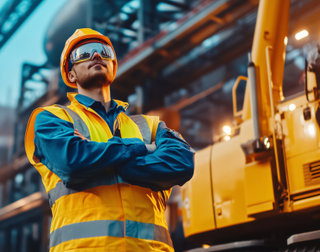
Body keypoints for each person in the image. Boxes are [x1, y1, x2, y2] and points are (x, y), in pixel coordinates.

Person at [25, 28, 194, 251]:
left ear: (113, 66)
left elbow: (182, 163)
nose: (96, 56)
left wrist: (108, 162)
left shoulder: (151, 124)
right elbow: (72, 162)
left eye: (103, 52)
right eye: (83, 53)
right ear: (71, 74)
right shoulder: (52, 118)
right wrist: (141, 148)